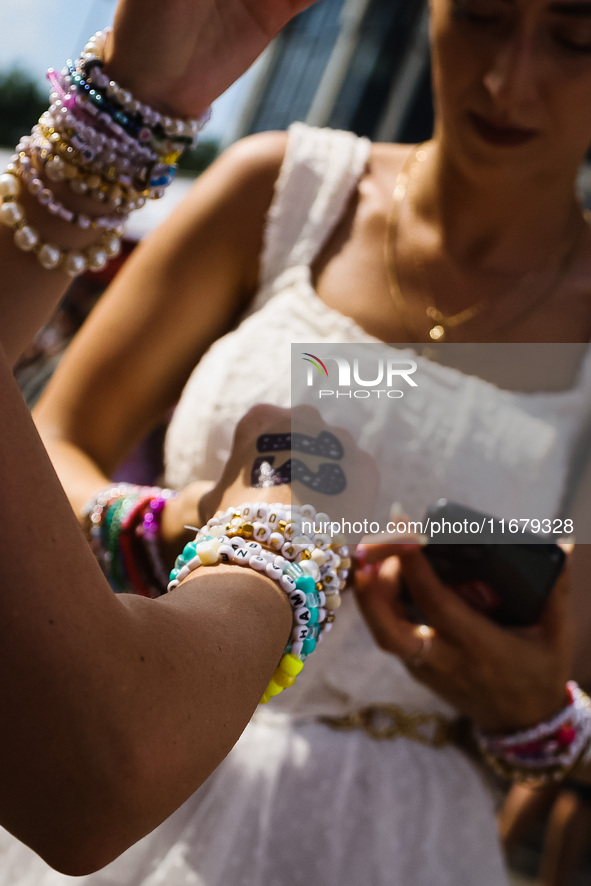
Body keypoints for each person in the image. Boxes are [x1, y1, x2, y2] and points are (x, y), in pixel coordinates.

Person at [2, 0, 591, 884]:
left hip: (411, 841)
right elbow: (51, 440)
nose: (508, 81)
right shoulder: (279, 192)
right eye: (477, 16)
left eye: (575, 37)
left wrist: (542, 719)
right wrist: (181, 521)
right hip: (147, 748)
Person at [0, 0, 366, 875]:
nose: (511, 79)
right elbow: (99, 764)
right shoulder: (282, 186)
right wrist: (281, 523)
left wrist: (136, 99)